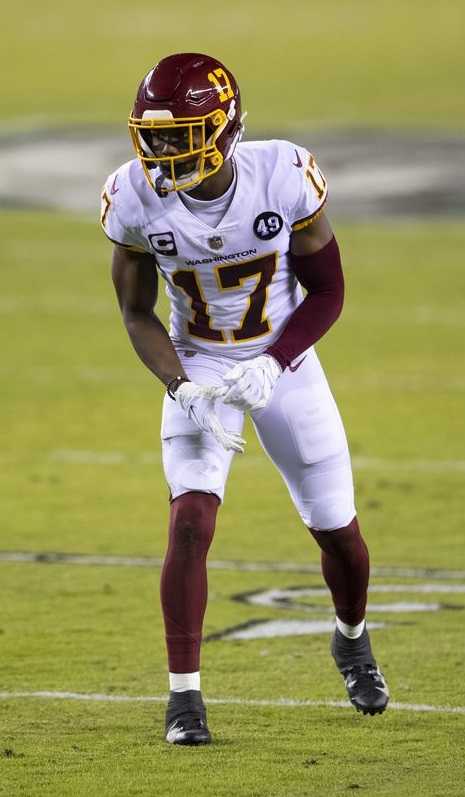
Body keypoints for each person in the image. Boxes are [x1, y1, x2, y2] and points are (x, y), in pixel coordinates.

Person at [100, 52, 389, 746]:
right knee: (189, 521)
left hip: (283, 359)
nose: (164, 150)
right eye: (155, 135)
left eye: (181, 133)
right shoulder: (133, 196)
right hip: (197, 365)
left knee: (338, 532)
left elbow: (328, 290)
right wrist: (181, 385)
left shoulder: (281, 174)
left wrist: (274, 360)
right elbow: (136, 312)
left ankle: (351, 638)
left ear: (225, 128)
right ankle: (184, 698)